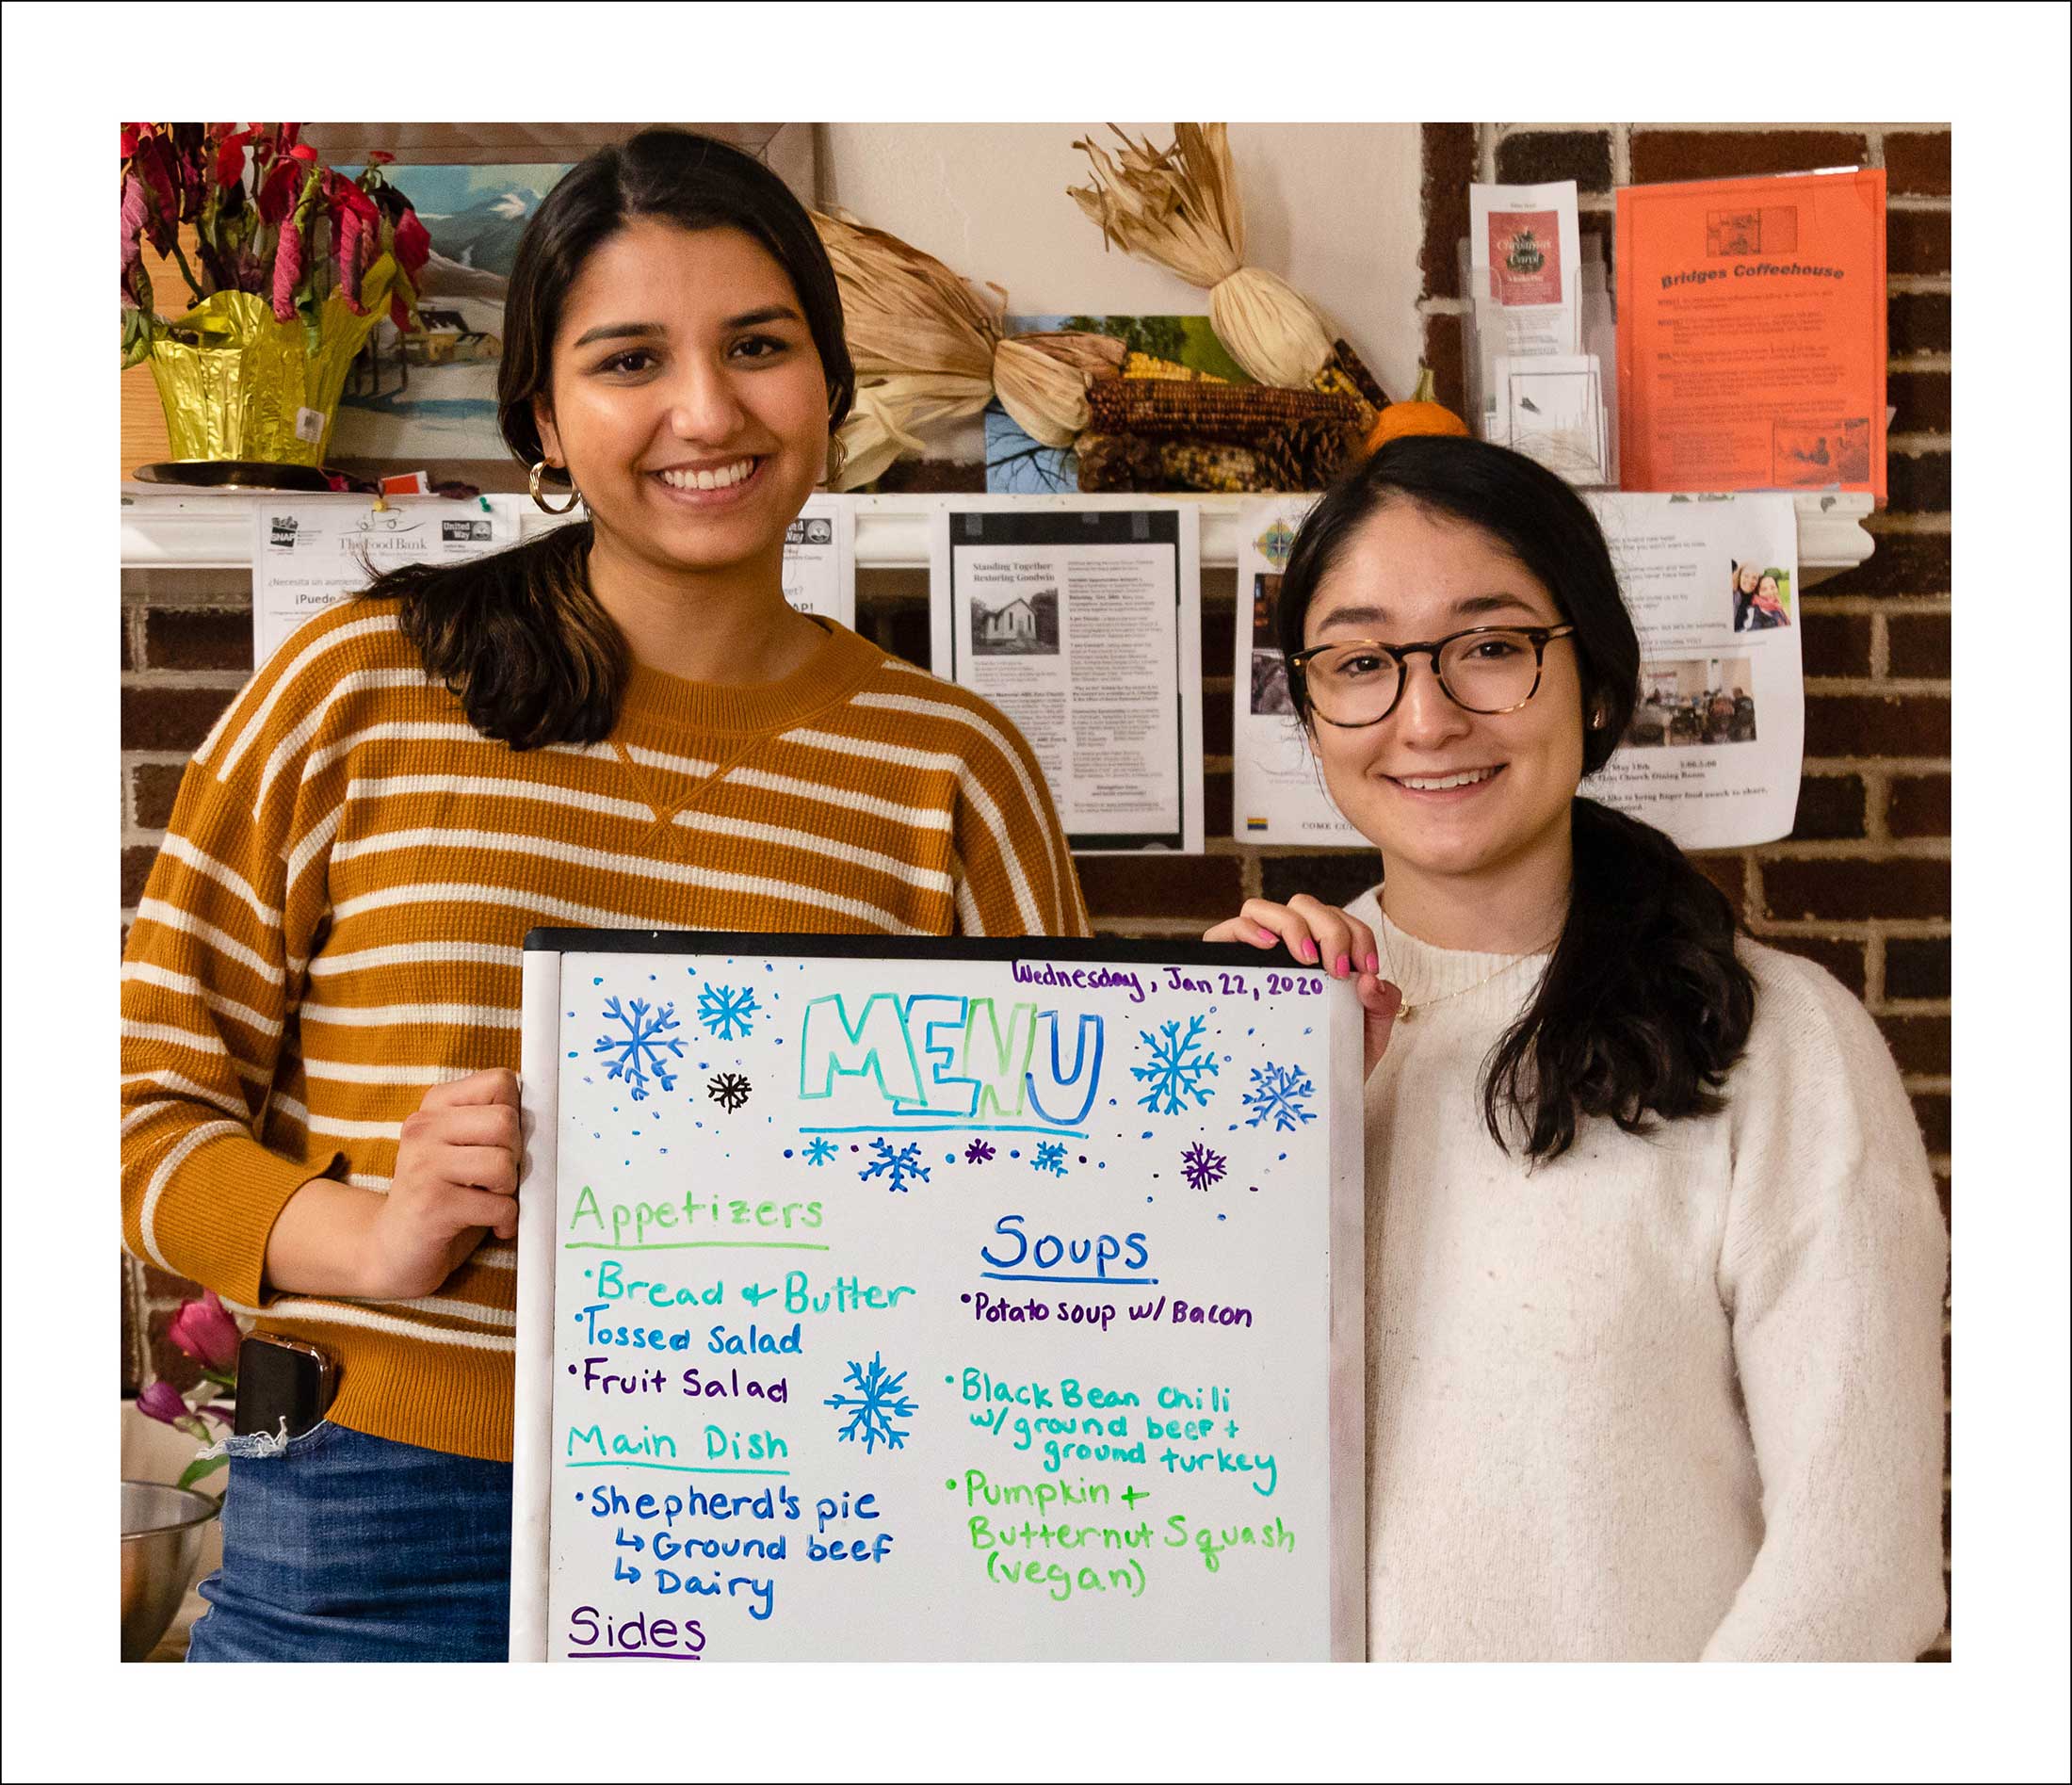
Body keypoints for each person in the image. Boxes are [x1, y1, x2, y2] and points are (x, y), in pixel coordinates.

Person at [119, 128, 1089, 1663]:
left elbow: (1061, 1197)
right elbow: (134, 1112)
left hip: (810, 1521)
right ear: (545, 423)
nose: (706, 411)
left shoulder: (952, 766)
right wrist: (364, 1237)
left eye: (759, 347)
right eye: (630, 359)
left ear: (832, 390)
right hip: (379, 1523)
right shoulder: (357, 690)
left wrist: (1262, 1067)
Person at [1205, 434, 1947, 1661]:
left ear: (1596, 684)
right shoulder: (1252, 1037)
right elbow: (1136, 1477)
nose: (1427, 717)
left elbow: (1858, 1572)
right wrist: (1223, 1116)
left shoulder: (1782, 1041)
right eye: (1360, 661)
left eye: (1492, 647)